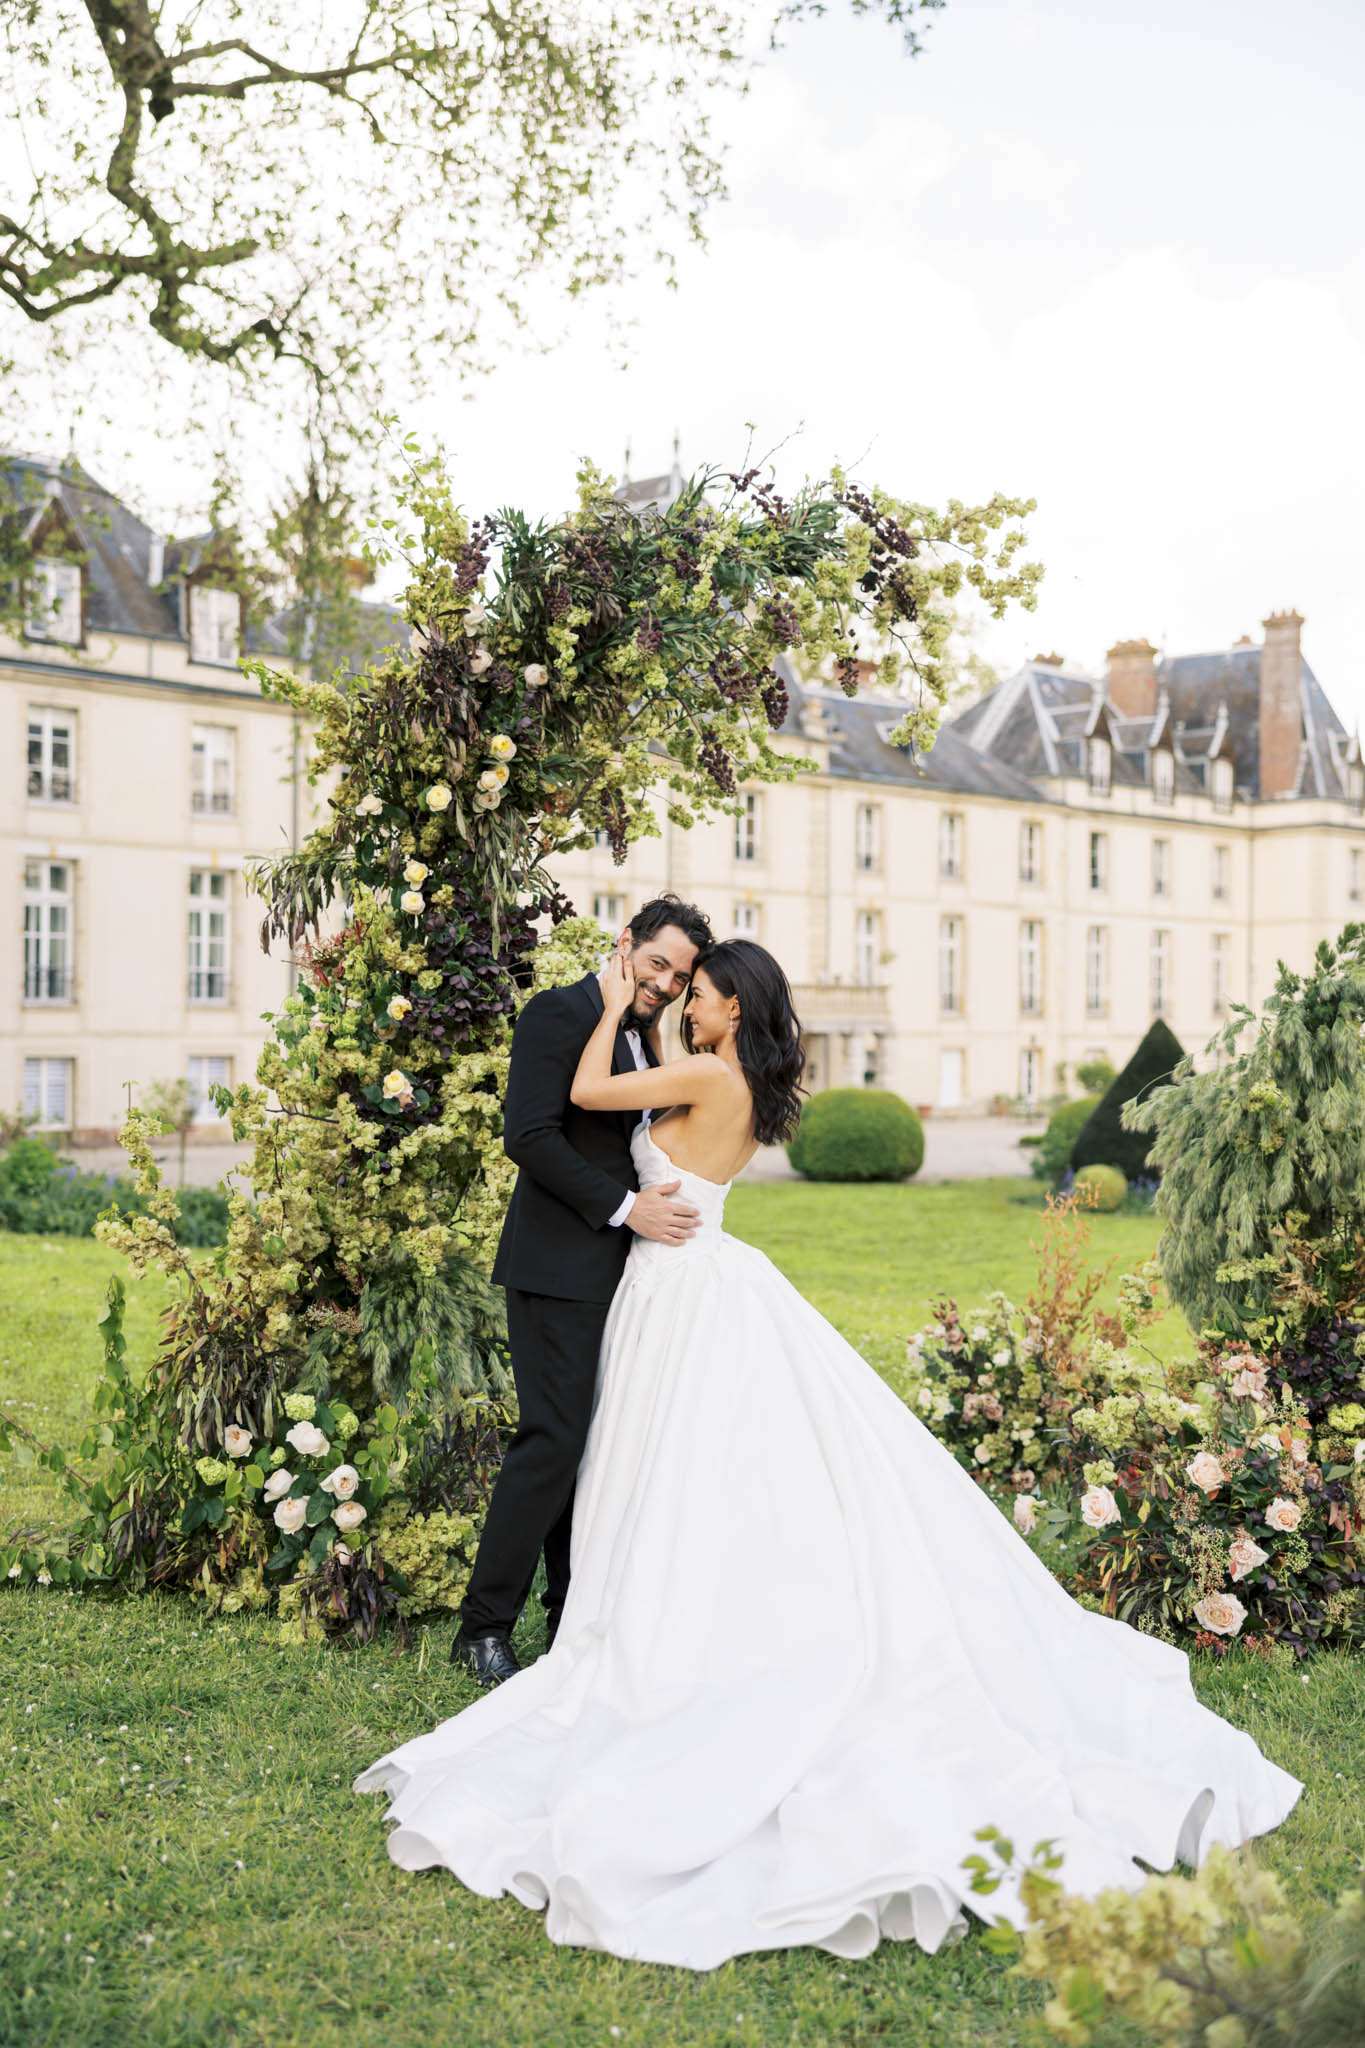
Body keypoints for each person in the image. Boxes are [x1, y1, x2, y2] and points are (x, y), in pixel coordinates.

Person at [358, 939, 1302, 1971]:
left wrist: (612, 991)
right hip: (698, 1273)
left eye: (700, 992)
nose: (684, 999)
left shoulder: (702, 1070)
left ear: (725, 1008)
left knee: (665, 1465)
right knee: (692, 1466)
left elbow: (587, 1087)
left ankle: (647, 1624)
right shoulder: (746, 1083)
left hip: (675, 1288)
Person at [451, 893, 714, 1685]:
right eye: (657, 963)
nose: (666, 983)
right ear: (624, 943)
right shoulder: (557, 1014)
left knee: (595, 1447)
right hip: (555, 1269)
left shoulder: (640, 1034)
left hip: (619, 1277)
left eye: (681, 976)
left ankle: (569, 1615)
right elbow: (527, 1136)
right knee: (552, 1441)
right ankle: (481, 1627)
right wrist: (629, 1209)